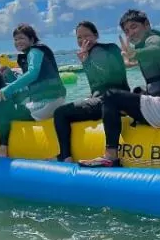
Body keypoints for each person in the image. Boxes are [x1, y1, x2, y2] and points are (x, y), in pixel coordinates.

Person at [79, 9, 160, 167]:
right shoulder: (145, 44)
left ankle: (110, 156)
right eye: (126, 31)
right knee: (137, 91)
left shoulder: (155, 39)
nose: (130, 34)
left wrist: (134, 53)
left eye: (134, 27)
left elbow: (156, 49)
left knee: (110, 96)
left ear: (146, 25)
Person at [53, 21, 130, 162]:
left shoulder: (97, 51)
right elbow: (102, 83)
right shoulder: (110, 47)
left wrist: (86, 62)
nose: (83, 40)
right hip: (120, 99)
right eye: (79, 37)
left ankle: (65, 157)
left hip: (108, 103)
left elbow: (106, 75)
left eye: (86, 36)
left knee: (60, 113)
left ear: (96, 35)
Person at [0, 23, 67, 157]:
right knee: (16, 102)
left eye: (21, 38)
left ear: (31, 39)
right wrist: (9, 75)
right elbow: (31, 83)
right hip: (53, 100)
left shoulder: (34, 51)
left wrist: (8, 89)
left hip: (48, 103)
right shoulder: (33, 53)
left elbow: (33, 73)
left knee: (4, 110)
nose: (18, 42)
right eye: (15, 39)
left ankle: (2, 149)